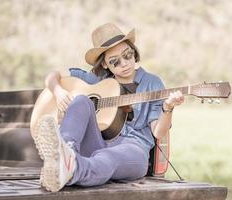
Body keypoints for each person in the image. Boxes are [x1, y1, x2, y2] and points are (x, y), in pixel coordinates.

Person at [34, 23, 185, 192]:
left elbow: (158, 132)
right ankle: (64, 150)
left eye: (127, 55)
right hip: (99, 142)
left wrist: (168, 108)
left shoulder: (152, 82)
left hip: (133, 149)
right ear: (105, 65)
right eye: (115, 61)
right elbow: (53, 76)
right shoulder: (99, 80)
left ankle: (71, 169)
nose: (124, 63)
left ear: (134, 52)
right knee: (81, 100)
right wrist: (58, 91)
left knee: (106, 157)